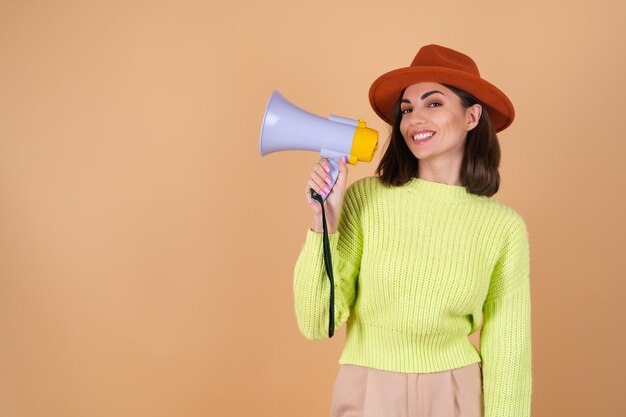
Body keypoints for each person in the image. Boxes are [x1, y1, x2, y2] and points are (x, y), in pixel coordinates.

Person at [294, 44, 531, 417]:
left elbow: (508, 347)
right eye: (407, 109)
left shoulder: (503, 227)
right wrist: (325, 220)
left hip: (457, 394)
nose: (414, 119)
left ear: (471, 117)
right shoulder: (364, 199)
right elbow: (314, 322)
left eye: (433, 103)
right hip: (369, 391)